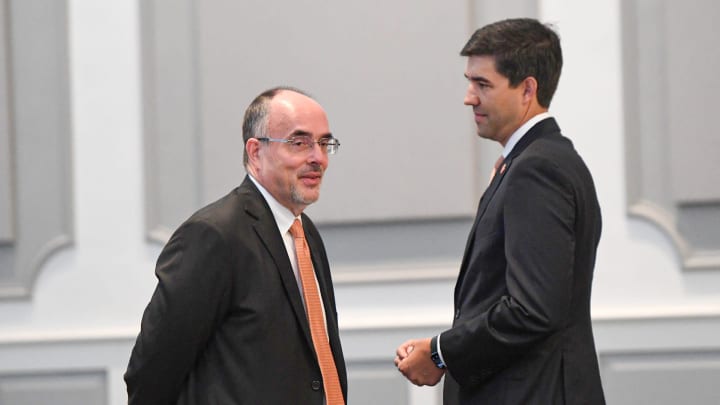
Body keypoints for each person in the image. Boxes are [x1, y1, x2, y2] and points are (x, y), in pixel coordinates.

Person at [394, 18, 605, 404]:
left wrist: (441, 352)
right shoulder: (541, 160)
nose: (468, 97)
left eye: (483, 84)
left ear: (527, 89)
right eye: (469, 81)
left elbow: (533, 309)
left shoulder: (537, 170)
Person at [125, 86, 347, 404]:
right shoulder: (214, 235)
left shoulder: (305, 233)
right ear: (255, 152)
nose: (318, 158)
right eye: (300, 143)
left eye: (325, 143)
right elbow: (152, 371)